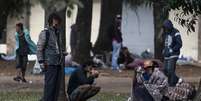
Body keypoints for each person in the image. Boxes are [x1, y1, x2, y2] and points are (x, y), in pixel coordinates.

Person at [37, 13, 62, 101]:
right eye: (56, 21)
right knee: (49, 88)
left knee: (56, 89)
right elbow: (39, 48)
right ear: (52, 21)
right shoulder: (45, 33)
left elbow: (55, 48)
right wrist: (41, 62)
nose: (57, 24)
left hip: (58, 63)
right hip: (49, 64)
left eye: (58, 22)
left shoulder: (57, 32)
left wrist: (62, 53)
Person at [162, 19, 182, 87]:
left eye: (167, 27)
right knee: (164, 70)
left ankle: (172, 84)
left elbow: (179, 44)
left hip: (174, 54)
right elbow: (165, 43)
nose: (166, 28)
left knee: (170, 70)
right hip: (166, 55)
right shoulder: (165, 33)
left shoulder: (176, 32)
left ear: (170, 26)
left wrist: (172, 50)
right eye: (165, 27)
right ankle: (177, 80)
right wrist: (164, 49)